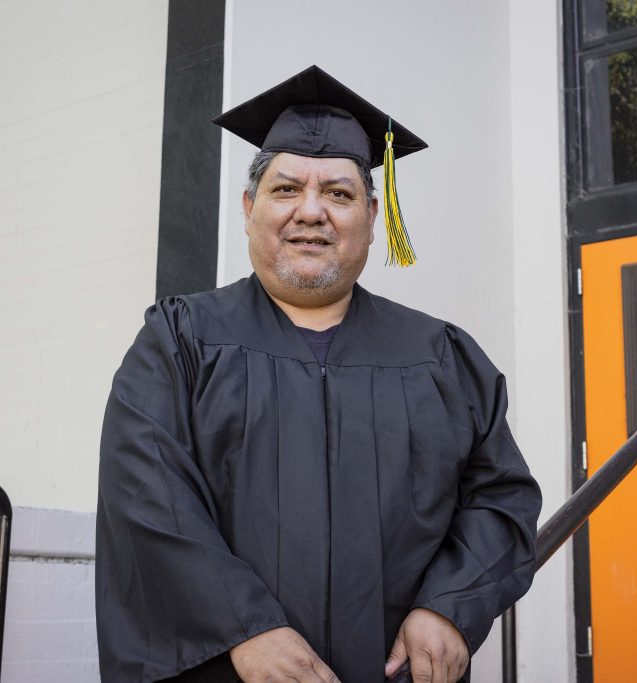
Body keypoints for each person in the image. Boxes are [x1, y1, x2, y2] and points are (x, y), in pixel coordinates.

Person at [96, 65, 541, 683]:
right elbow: (147, 497)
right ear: (250, 208)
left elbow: (501, 497)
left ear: (371, 214)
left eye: (338, 193)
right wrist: (244, 626)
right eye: (286, 190)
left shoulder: (441, 357)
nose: (312, 212)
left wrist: (448, 606)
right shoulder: (180, 343)